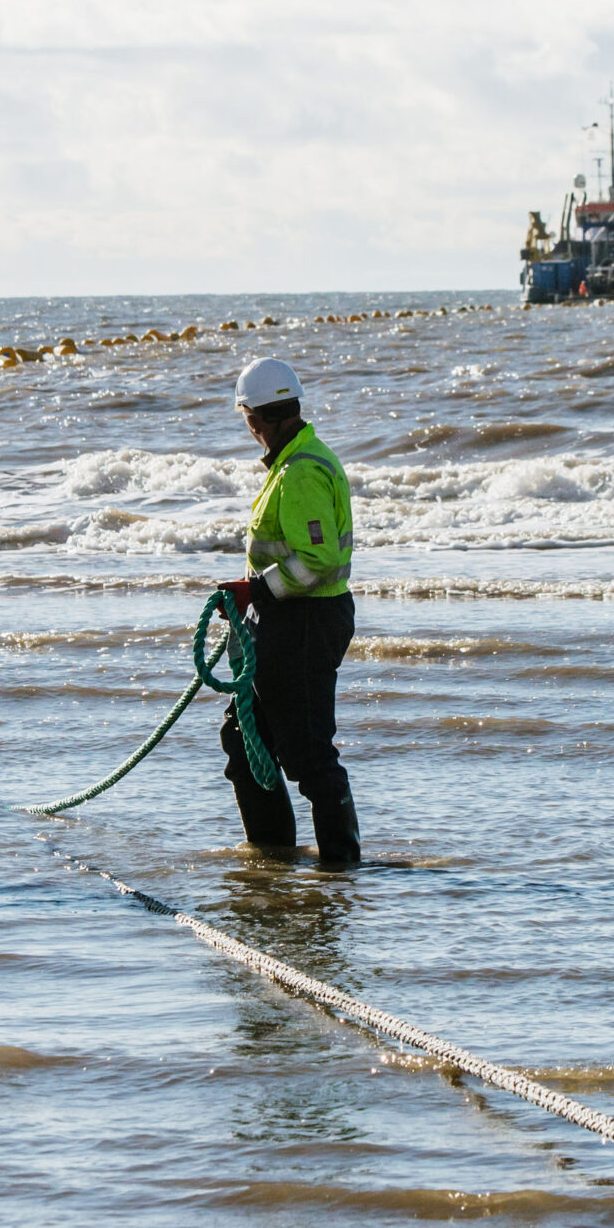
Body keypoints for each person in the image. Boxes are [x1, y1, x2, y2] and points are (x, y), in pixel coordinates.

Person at [215, 357, 360, 864]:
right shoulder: (294, 462)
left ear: (256, 419)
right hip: (286, 619)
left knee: (308, 754)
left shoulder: (299, 473)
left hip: (306, 623)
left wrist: (258, 591)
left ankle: (340, 864)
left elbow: (318, 560)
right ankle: (272, 857)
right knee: (244, 736)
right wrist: (255, 596)